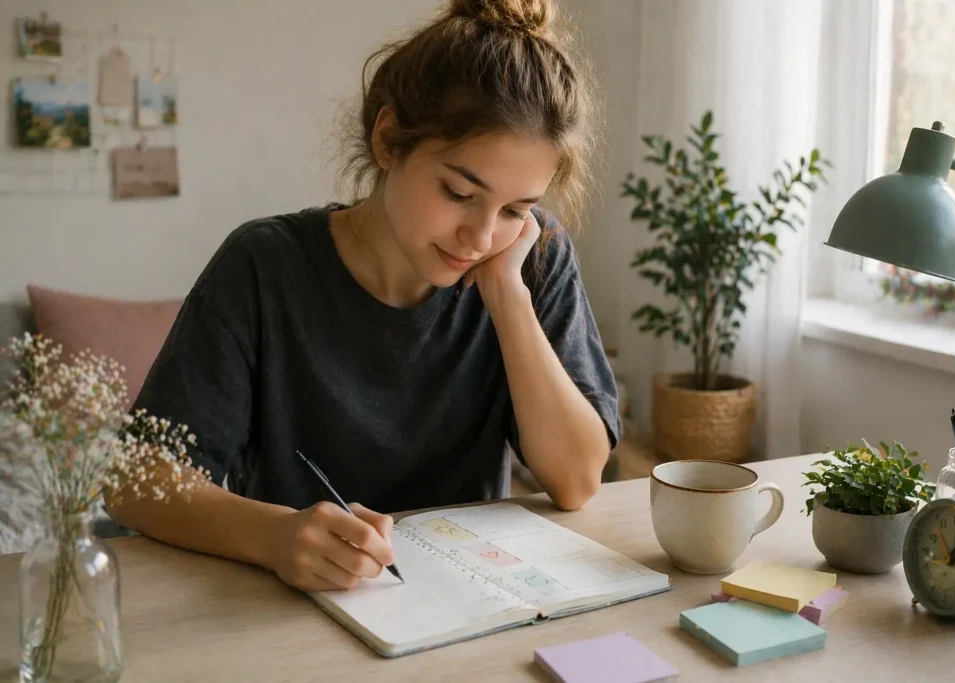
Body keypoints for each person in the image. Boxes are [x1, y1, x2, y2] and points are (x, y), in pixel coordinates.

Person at [106, 0, 619, 593]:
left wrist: (508, 295)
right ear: (387, 139)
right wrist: (273, 536)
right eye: (459, 193)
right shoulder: (265, 265)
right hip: (289, 606)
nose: (481, 237)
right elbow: (135, 481)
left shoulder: (531, 257)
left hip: (469, 600)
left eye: (515, 210)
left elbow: (577, 481)